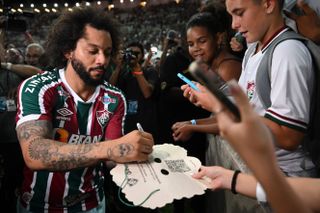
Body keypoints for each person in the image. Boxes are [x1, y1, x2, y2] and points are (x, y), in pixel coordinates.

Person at [15, 7, 154, 213]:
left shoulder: (114, 98)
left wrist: (142, 160)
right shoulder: (38, 87)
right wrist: (111, 148)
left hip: (91, 205)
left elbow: (111, 160)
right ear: (68, 50)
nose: (102, 60)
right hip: (38, 206)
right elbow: (35, 152)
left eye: (107, 53)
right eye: (93, 51)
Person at [188, 81, 319, 213]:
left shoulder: (287, 60)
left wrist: (221, 107)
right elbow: (306, 193)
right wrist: (229, 178)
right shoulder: (249, 61)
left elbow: (288, 139)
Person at [220, 0, 316, 177]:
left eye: (239, 13)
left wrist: (219, 106)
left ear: (268, 4)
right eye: (231, 15)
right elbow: (247, 106)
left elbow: (288, 137)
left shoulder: (287, 52)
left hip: (287, 176)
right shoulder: (252, 51)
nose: (234, 24)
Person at [171, 4, 242, 144]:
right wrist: (191, 123)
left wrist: (193, 127)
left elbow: (235, 119)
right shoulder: (211, 68)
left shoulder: (228, 68)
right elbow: (220, 115)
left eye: (202, 41)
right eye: (191, 44)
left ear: (218, 38)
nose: (196, 49)